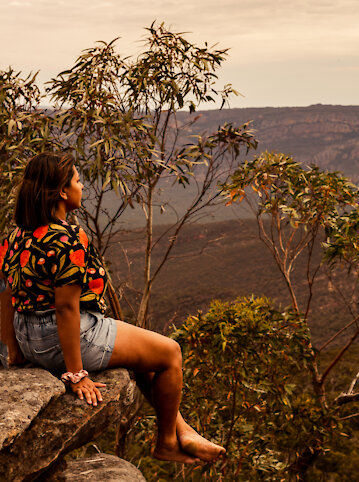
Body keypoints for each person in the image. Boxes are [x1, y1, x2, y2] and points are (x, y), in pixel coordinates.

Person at [0, 152, 225, 464]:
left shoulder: (15, 236)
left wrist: (15, 351)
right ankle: (166, 442)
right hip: (67, 337)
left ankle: (182, 429)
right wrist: (76, 374)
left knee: (144, 356)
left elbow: (7, 295)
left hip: (29, 339)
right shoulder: (68, 238)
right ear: (62, 192)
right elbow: (66, 309)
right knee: (171, 353)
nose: (82, 187)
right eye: (78, 181)